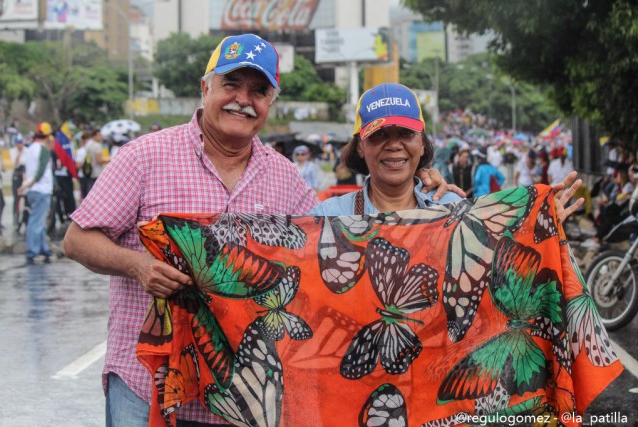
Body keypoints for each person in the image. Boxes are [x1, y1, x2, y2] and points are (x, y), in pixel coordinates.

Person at [63, 34, 460, 427]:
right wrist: (138, 266)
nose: (243, 99)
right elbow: (77, 240)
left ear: (270, 102)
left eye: (258, 90)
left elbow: (327, 265)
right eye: (231, 84)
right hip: (147, 384)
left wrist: (421, 189)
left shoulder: (284, 178)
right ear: (205, 87)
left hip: (241, 399)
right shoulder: (144, 157)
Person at [310, 83, 462, 215]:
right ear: (360, 147)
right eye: (379, 134)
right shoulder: (328, 218)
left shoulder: (454, 210)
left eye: (406, 133)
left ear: (422, 143)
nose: (394, 145)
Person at [18, 122, 54, 264]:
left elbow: (28, 171)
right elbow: (39, 173)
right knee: (36, 222)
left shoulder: (30, 148)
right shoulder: (43, 150)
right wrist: (28, 184)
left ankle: (44, 249)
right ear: (47, 136)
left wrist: (26, 185)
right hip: (41, 189)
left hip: (32, 191)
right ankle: (32, 251)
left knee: (39, 221)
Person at [83, 127, 108, 196]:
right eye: (99, 135)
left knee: (91, 193)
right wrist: (110, 159)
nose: (101, 137)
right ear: (95, 136)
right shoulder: (97, 146)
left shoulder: (89, 145)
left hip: (91, 172)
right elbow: (99, 160)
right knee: (98, 194)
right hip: (97, 173)